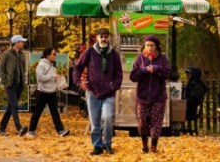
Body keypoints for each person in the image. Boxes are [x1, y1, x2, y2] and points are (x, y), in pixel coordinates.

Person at [74, 27, 123, 155]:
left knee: (107, 118)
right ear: (97, 38)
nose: (103, 39)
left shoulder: (114, 54)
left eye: (106, 36)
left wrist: (114, 86)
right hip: (92, 93)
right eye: (101, 36)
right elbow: (77, 68)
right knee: (95, 123)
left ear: (109, 38)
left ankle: (107, 144)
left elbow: (119, 74)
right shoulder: (90, 52)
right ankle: (97, 146)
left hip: (108, 93)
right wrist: (79, 83)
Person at [130, 35, 172, 153]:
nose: (149, 47)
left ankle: (154, 146)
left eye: (152, 45)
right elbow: (133, 77)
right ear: (144, 46)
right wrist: (142, 71)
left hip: (158, 96)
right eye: (147, 45)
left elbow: (169, 74)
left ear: (156, 46)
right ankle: (144, 144)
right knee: (142, 123)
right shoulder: (140, 59)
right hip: (142, 97)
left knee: (156, 122)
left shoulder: (162, 59)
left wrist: (158, 69)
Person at [27, 47, 70, 137]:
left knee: (55, 112)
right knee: (37, 112)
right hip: (42, 92)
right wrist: (53, 76)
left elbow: (54, 78)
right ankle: (31, 130)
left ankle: (60, 130)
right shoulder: (41, 65)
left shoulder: (53, 65)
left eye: (55, 54)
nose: (55, 56)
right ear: (47, 55)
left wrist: (60, 81)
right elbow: (40, 78)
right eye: (53, 54)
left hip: (52, 93)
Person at [0, 35, 29, 137]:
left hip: (19, 84)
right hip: (10, 84)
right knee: (14, 106)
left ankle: (2, 128)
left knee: (10, 107)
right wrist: (6, 82)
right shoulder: (7, 54)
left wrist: (23, 80)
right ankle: (19, 128)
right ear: (16, 43)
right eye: (21, 42)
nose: (23, 44)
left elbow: (23, 68)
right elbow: (1, 69)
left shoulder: (21, 55)